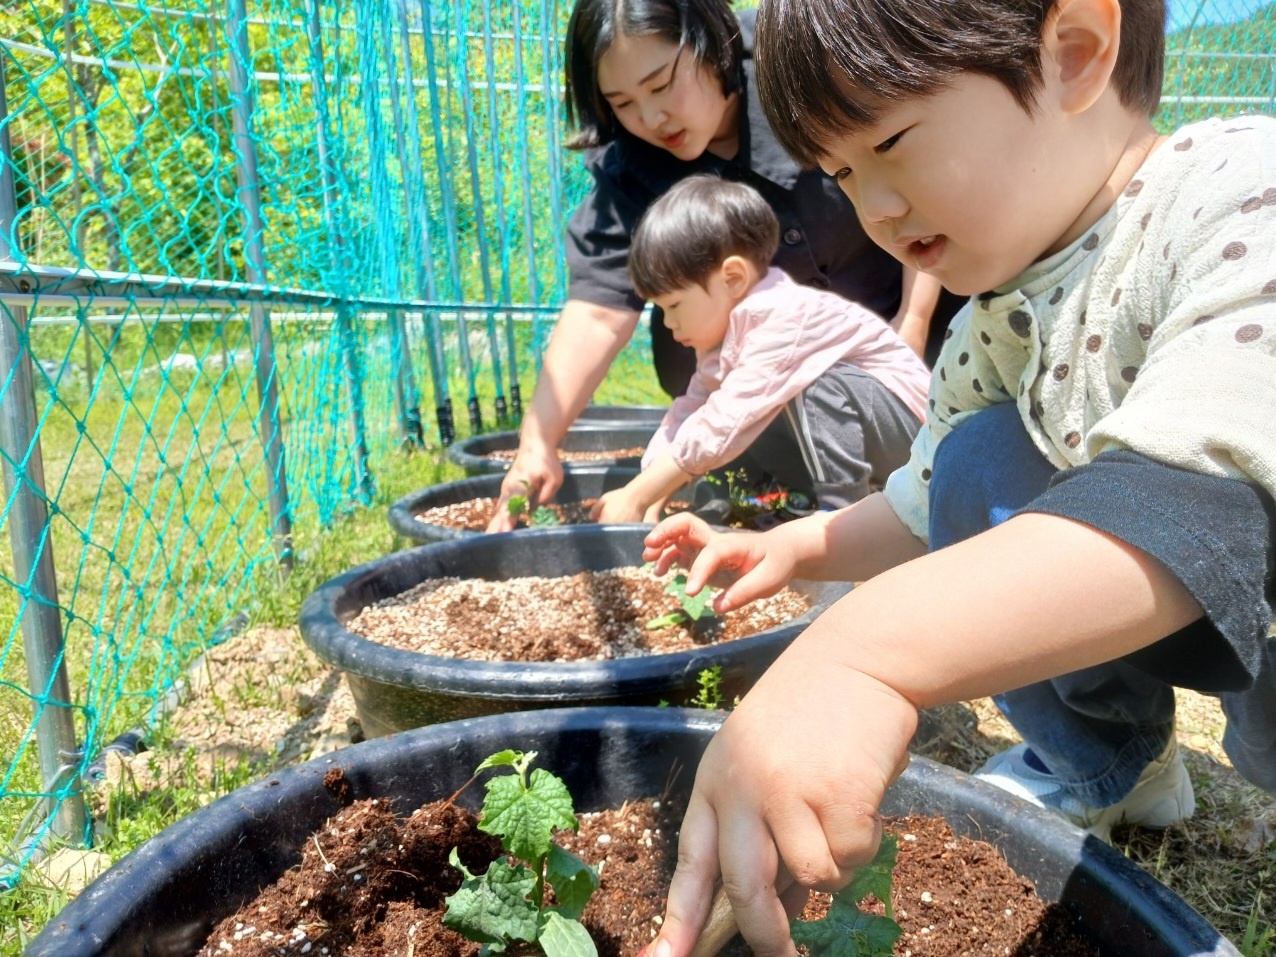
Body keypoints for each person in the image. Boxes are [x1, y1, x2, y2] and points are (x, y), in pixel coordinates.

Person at [634, 1, 1276, 956]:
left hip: (1245, 576)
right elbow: (921, 502)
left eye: (890, 143)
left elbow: (1197, 503)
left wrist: (861, 651)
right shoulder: (991, 321)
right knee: (977, 458)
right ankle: (1114, 764)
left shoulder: (1239, 193)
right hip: (1150, 592)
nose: (874, 209)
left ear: (1074, 53)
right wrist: (790, 545)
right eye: (843, 173)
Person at [486, 0, 963, 533]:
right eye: (622, 103)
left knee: (847, 407)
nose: (652, 118)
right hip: (763, 386)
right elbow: (598, 312)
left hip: (909, 352)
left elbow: (917, 182)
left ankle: (846, 525)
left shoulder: (808, 58)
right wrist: (538, 444)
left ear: (708, 41)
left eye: (662, 84)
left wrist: (912, 323)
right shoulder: (631, 167)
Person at [588, 174, 930, 523]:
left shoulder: (781, 317)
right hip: (874, 439)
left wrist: (638, 494)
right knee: (744, 409)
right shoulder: (724, 336)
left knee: (806, 386)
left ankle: (841, 515)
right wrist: (650, 490)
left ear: (733, 278)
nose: (669, 323)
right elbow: (691, 411)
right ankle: (798, 504)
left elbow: (728, 418)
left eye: (674, 305)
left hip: (917, 442)